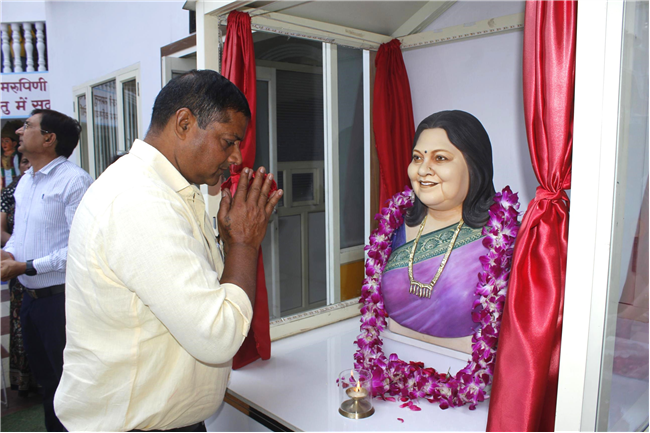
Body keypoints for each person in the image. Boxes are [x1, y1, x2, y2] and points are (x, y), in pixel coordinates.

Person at [54, 70, 283, 432]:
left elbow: (199, 296)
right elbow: (217, 336)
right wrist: (244, 244)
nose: (236, 157)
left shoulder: (163, 190)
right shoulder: (139, 200)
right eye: (228, 142)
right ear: (184, 123)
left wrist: (229, 242)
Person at [0, 109, 93, 431]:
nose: (19, 131)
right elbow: (21, 234)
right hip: (31, 300)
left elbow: (82, 248)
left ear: (49, 139)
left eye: (28, 126)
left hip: (62, 302)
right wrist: (9, 253)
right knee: (47, 384)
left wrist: (27, 266)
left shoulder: (75, 181)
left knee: (71, 386)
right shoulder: (26, 181)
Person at [381, 110, 499, 354]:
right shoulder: (394, 228)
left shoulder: (501, 239)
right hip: (392, 363)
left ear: (474, 166)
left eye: (440, 158)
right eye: (417, 158)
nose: (423, 170)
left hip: (466, 373)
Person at [0, 152, 37, 397]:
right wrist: (16, 250)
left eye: (30, 161)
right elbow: (2, 230)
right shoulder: (12, 192)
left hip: (42, 268)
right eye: (24, 162)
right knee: (21, 322)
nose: (28, 166)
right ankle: (24, 380)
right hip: (16, 265)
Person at [0, 120, 24, 191]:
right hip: (3, 188)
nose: (4, 144)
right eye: (2, 141)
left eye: (7, 141)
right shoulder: (1, 157)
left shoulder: (16, 157)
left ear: (14, 143)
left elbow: (18, 171)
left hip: (16, 186)